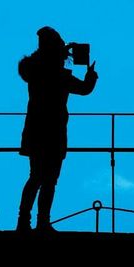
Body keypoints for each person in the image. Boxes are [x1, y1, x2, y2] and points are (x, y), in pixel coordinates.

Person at [17, 27, 97, 232]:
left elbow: (29, 68)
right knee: (49, 180)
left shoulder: (34, 70)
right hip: (54, 132)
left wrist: (60, 51)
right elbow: (85, 89)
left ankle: (24, 221)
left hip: (35, 129)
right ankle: (42, 221)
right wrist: (91, 75)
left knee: (35, 176)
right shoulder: (60, 76)